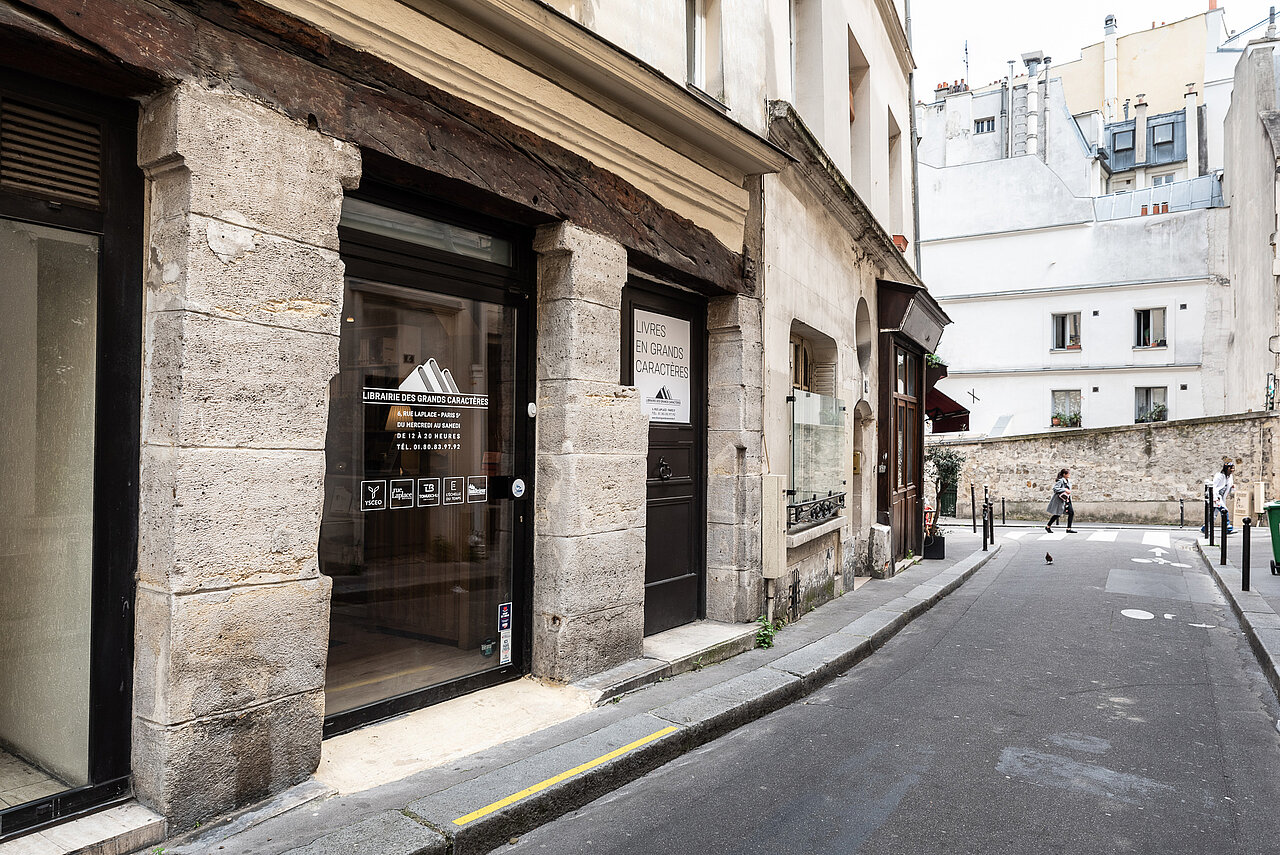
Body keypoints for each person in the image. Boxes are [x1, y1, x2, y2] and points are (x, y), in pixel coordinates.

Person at [1204, 461, 1235, 535]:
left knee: (1213, 514)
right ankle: (1227, 527)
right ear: (1227, 468)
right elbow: (1213, 487)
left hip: (1221, 497)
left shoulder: (1230, 477)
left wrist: (1232, 488)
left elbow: (1229, 486)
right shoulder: (1219, 476)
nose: (1232, 470)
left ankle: (1204, 528)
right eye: (1231, 468)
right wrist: (1214, 498)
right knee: (1224, 511)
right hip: (1216, 497)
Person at [1045, 468, 1077, 533]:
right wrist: (1064, 489)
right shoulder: (1060, 481)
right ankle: (1048, 526)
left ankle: (1068, 529)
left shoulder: (1068, 481)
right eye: (1068, 473)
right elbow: (1055, 489)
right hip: (1060, 500)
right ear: (1064, 474)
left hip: (1067, 500)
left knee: (1071, 513)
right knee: (1058, 514)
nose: (1069, 474)